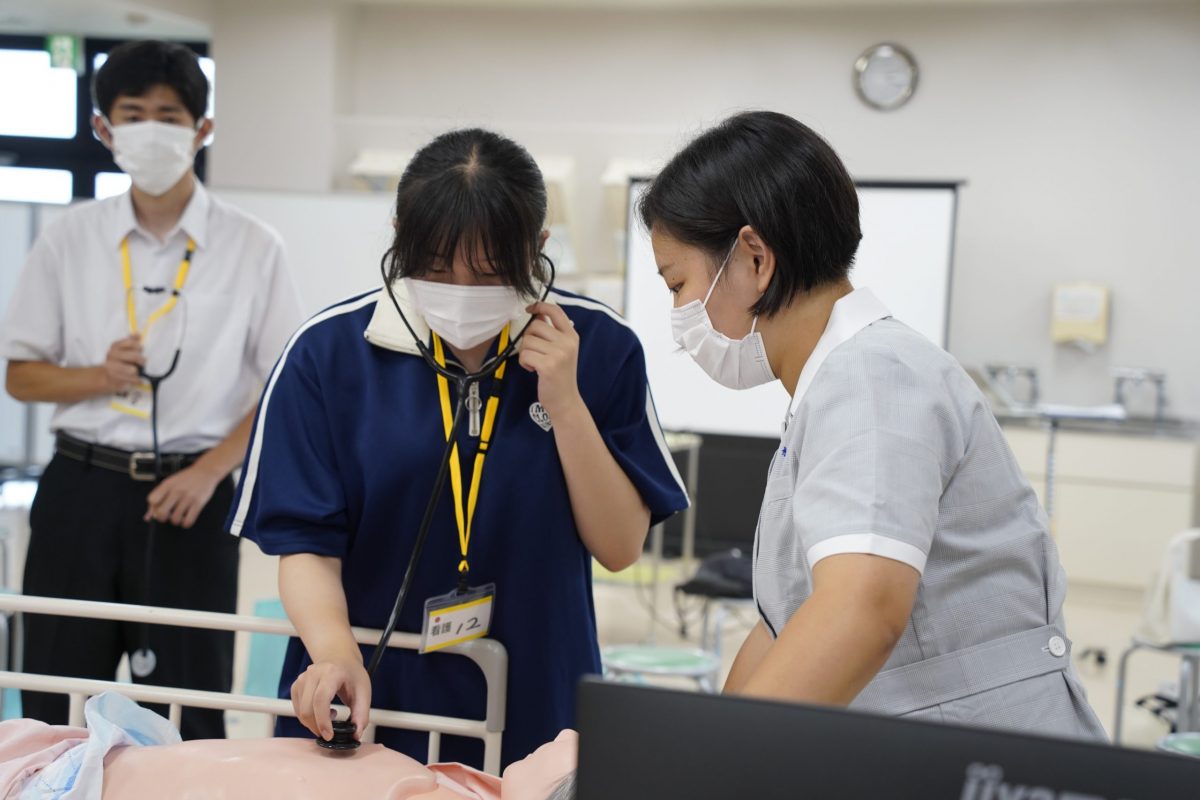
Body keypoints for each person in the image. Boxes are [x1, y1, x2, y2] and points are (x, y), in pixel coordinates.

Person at [228, 127, 688, 768]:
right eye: (437, 267)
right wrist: (334, 652)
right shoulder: (329, 354)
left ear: (538, 248)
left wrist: (565, 401)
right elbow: (306, 543)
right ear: (399, 236)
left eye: (493, 270)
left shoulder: (600, 348)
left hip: (534, 689)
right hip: (365, 687)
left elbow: (618, 546)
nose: (464, 289)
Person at [639, 110, 1106, 740]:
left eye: (678, 283)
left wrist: (715, 769)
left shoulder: (872, 378)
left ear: (753, 257)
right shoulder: (835, 384)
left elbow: (861, 612)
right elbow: (782, 626)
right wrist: (700, 749)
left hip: (980, 752)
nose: (678, 312)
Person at [0, 40, 303, 739]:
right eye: (132, 114)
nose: (151, 129)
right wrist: (95, 377)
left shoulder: (254, 247)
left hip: (190, 498)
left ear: (203, 129)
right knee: (54, 696)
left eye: (169, 114)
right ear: (104, 129)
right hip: (81, 486)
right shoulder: (68, 239)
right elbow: (20, 374)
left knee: (191, 707)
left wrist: (209, 471)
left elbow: (283, 387)